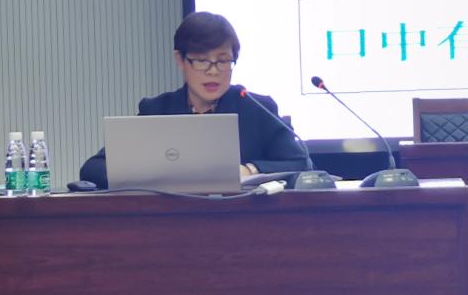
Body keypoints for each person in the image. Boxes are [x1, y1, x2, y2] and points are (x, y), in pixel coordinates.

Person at [79, 11, 312, 188]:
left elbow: (300, 163)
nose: (213, 71)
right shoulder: (157, 110)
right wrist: (155, 175)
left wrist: (249, 170)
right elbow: (92, 168)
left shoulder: (256, 108)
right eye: (202, 60)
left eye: (223, 61)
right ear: (180, 60)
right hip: (169, 223)